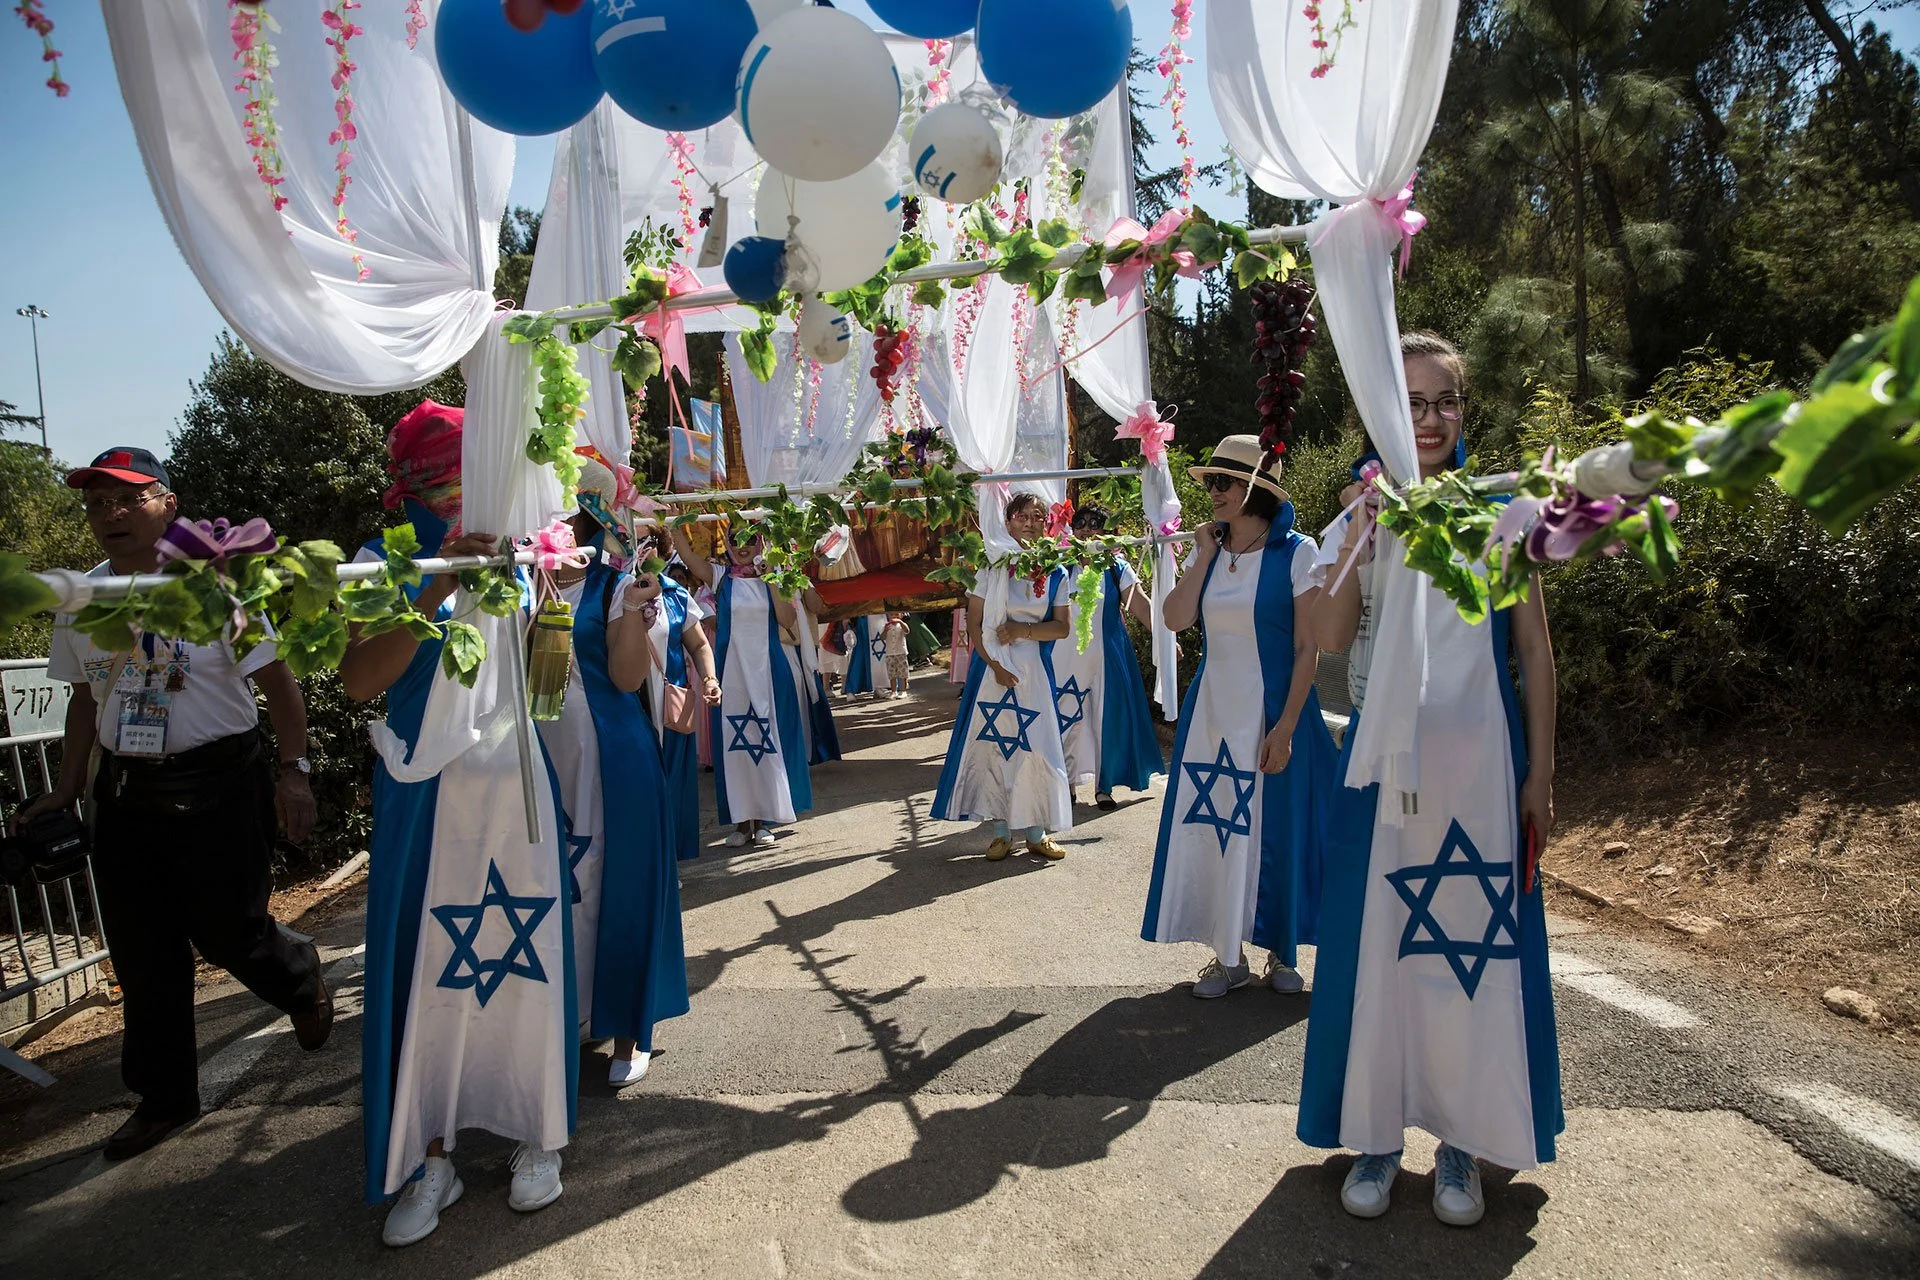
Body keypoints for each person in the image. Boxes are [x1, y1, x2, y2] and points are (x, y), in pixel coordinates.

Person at [1298, 333, 1562, 1228]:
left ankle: (1460, 1139)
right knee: (1383, 951)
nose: (1432, 419)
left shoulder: (1505, 505)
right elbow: (1331, 637)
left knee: (1471, 956)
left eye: (1444, 400)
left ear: (1465, 406)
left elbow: (1532, 647)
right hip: (1386, 774)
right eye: (1409, 403)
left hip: (1484, 770)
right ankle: (1378, 1135)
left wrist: (1542, 773)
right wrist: (1359, 536)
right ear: (1380, 413)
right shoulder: (1368, 513)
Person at [13, 447, 328, 1162]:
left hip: (220, 781)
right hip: (126, 792)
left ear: (168, 503)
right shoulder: (80, 598)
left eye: (127, 499)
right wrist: (67, 788)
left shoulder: (215, 588)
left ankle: (299, 978)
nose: (109, 516)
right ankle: (163, 1099)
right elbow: (84, 703)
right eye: (96, 504)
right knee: (143, 952)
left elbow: (279, 685)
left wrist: (294, 772)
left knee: (229, 932)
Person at [338, 402, 575, 1246]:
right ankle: (429, 1157)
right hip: (423, 796)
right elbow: (359, 680)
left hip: (513, 791)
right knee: (425, 972)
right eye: (447, 475)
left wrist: (556, 585)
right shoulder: (380, 561)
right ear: (416, 482)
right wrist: (436, 586)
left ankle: (534, 1134)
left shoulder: (521, 557)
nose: (462, 492)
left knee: (526, 963)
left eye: (471, 474)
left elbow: (550, 679)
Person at [1140, 437, 1335, 999]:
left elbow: (1308, 648)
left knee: (1278, 826)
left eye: (1224, 483)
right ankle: (1228, 957)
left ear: (1256, 490)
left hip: (1274, 707)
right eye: (1209, 483)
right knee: (1219, 828)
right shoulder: (1211, 551)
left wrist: (1287, 727)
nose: (1213, 492)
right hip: (1213, 712)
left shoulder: (1298, 552)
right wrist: (1202, 556)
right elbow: (1174, 619)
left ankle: (1282, 951)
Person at [535, 456, 694, 1090]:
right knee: (562, 892)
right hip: (545, 750)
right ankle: (573, 1016)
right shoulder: (525, 579)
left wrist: (632, 610)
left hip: (613, 757)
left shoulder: (616, 582)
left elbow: (629, 680)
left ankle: (631, 1027)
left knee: (622, 885)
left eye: (563, 511)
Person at [931, 492, 1073, 861]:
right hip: (992, 668)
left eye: (1038, 517)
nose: (1030, 522)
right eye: (1021, 516)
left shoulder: (1056, 571)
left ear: (1047, 524)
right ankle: (999, 831)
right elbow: (975, 625)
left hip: (1034, 671)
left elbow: (1060, 628)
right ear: (1007, 522)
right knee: (996, 746)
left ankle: (1037, 831)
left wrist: (1021, 632)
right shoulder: (990, 567)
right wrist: (995, 664)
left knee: (1037, 746)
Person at [670, 522, 812, 849]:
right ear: (729, 543)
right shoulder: (721, 577)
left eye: (750, 540)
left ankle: (764, 819)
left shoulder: (773, 575)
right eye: (736, 540)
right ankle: (740, 821)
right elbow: (689, 557)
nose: (743, 546)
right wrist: (674, 527)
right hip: (731, 672)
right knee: (734, 747)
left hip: (768, 671)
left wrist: (773, 573)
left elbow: (787, 621)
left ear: (761, 541)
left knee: (767, 742)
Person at [1049, 504, 1164, 810]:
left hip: (1107, 656)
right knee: (1065, 717)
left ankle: (1104, 786)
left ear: (1106, 531)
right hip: (1063, 657)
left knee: (1106, 719)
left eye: (1095, 524)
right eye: (1081, 524)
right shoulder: (1060, 567)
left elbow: (1141, 606)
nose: (1087, 529)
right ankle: (1066, 782)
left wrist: (1166, 639)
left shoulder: (1117, 568)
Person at [640, 537, 720, 864]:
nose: (642, 550)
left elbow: (699, 645)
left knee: (672, 785)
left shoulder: (675, 594)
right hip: (630, 704)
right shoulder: (613, 591)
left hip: (672, 702)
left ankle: (667, 862)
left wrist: (710, 679)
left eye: (648, 544)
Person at [789, 585, 844, 761]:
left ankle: (809, 751)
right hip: (778, 643)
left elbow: (816, 606)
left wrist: (804, 583)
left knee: (805, 692)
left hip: (802, 643)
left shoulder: (796, 576)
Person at [840, 611, 889, 699]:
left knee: (881, 652)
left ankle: (878, 685)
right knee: (860, 654)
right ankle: (851, 689)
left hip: (880, 615)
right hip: (864, 616)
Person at [881, 611, 911, 699]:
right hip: (890, 653)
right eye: (891, 615)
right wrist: (885, 630)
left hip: (901, 652)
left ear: (901, 615)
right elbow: (882, 637)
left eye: (897, 615)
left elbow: (907, 631)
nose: (894, 617)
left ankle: (903, 691)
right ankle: (893, 691)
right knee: (892, 674)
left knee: (903, 673)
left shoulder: (902, 625)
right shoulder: (886, 626)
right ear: (888, 616)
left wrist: (901, 622)